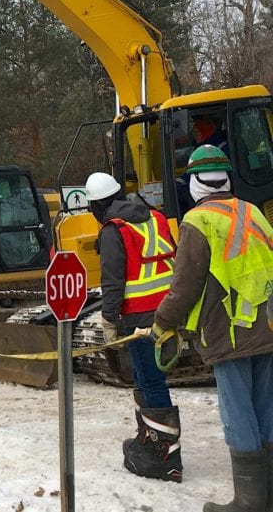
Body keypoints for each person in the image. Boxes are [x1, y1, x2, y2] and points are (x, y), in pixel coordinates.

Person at [153, 145, 273, 511]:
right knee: (265, 408)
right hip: (266, 326)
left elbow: (185, 285)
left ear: (194, 181)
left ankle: (250, 502)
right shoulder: (253, 212)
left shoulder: (198, 221)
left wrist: (162, 323)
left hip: (229, 331)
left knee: (238, 413)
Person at [84, 172, 181, 482]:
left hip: (139, 320)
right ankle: (148, 439)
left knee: (151, 382)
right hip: (167, 313)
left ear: (97, 206)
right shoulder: (155, 217)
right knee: (145, 378)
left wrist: (109, 320)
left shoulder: (115, 231)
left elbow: (113, 281)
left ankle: (165, 456)